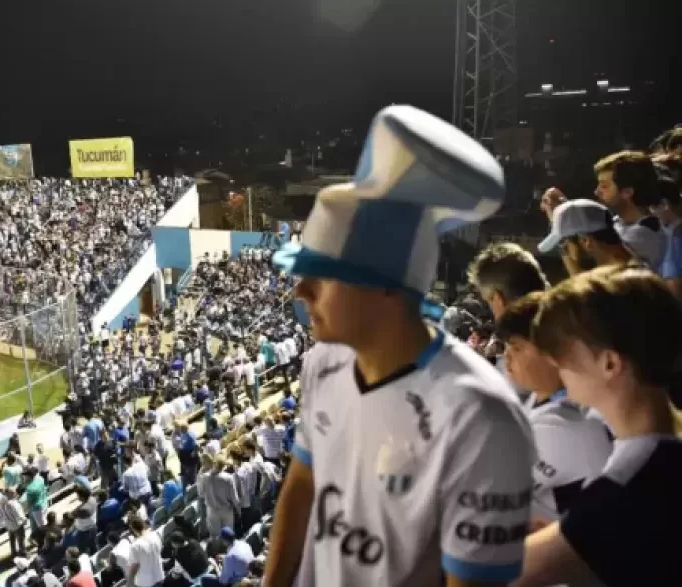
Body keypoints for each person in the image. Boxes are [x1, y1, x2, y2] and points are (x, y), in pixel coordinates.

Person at [264, 105, 535, 586]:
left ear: (386, 287)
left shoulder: (481, 416)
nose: (299, 294)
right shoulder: (323, 364)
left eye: (321, 278)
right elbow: (302, 484)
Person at [513, 266, 682, 587]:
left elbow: (503, 573)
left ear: (609, 363)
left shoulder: (630, 485)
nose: (554, 362)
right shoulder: (663, 457)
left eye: (562, 350)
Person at [494, 292, 612, 528]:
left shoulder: (565, 426)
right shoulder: (539, 399)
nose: (506, 356)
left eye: (516, 347)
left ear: (553, 354)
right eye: (506, 346)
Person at [538, 199, 637, 274]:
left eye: (564, 246)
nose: (566, 254)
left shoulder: (615, 287)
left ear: (586, 241)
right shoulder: (632, 266)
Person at [127, 515, 164, 587]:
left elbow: (134, 567)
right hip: (159, 575)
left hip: (146, 582)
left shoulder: (135, 546)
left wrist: (129, 583)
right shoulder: (155, 535)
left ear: (132, 528)